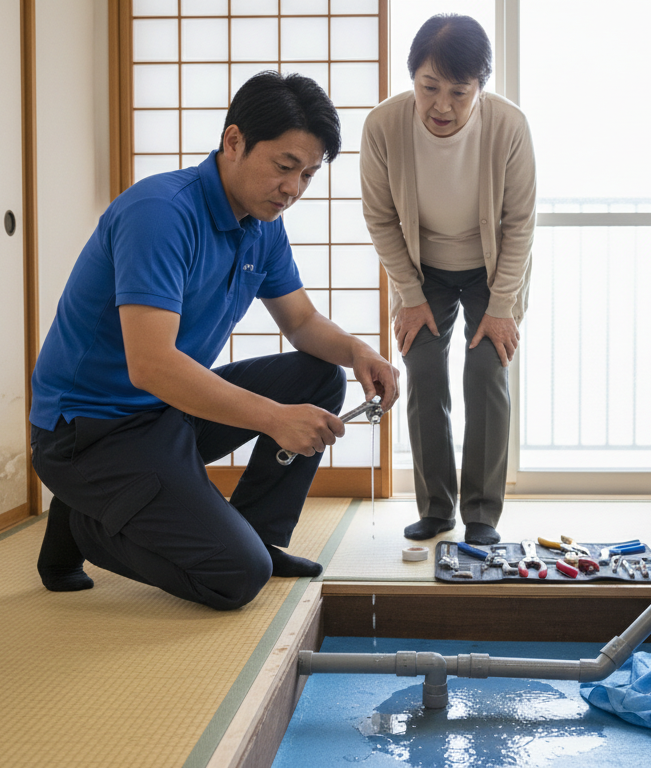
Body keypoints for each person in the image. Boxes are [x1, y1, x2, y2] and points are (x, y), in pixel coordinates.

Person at [29, 72, 399, 610]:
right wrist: (273, 418)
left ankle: (256, 533)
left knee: (318, 374)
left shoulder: (262, 222)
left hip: (165, 414)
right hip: (91, 431)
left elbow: (299, 322)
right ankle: (85, 521)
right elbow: (151, 366)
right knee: (234, 577)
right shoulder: (160, 214)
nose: (293, 189)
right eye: (284, 166)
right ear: (233, 142)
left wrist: (359, 352)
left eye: (309, 175)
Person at [361, 15, 536, 546]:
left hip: (492, 266)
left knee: (487, 369)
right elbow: (380, 218)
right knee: (423, 368)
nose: (441, 105)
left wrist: (502, 304)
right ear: (412, 77)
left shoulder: (508, 125)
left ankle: (481, 513)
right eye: (428, 87)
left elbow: (520, 223)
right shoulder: (384, 125)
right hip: (421, 267)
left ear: (480, 87)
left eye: (459, 92)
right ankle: (436, 508)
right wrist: (410, 298)